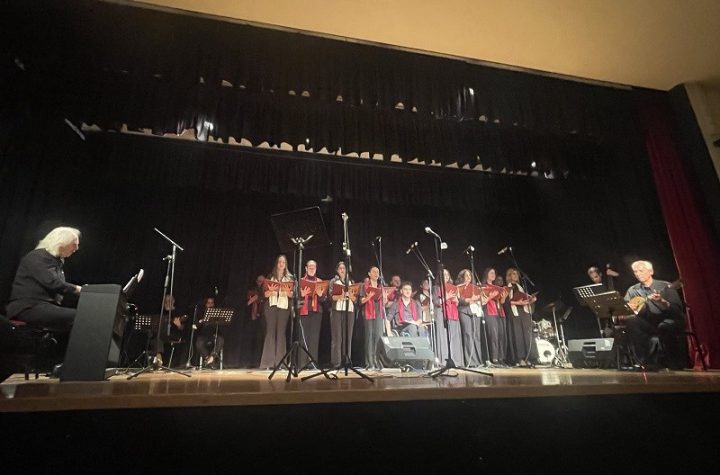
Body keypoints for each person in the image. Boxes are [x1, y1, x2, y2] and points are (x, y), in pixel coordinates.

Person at [6, 227, 82, 331]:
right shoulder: (37, 257)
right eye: (74, 244)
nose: (77, 248)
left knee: (81, 316)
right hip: (28, 307)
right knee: (80, 316)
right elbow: (52, 283)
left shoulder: (55, 262)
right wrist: (78, 289)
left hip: (43, 306)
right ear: (61, 242)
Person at [623, 260, 685, 368]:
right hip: (648, 322)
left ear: (651, 271)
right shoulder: (632, 290)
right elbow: (625, 308)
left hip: (667, 320)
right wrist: (629, 308)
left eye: (641, 271)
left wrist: (662, 301)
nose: (638, 274)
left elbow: (677, 309)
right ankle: (644, 362)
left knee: (665, 326)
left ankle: (673, 362)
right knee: (632, 321)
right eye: (635, 272)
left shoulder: (665, 286)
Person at [259, 255, 294, 369]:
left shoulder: (290, 278)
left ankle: (281, 363)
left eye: (283, 262)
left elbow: (293, 295)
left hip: (284, 307)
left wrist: (288, 292)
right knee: (270, 332)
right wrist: (269, 292)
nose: (281, 264)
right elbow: (263, 294)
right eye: (279, 262)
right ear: (277, 264)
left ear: (286, 264)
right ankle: (268, 363)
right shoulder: (270, 277)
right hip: (271, 306)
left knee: (281, 333)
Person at [360, 267, 391, 369]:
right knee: (369, 338)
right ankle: (369, 363)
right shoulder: (364, 286)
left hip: (378, 314)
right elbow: (361, 301)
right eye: (374, 272)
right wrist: (368, 297)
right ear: (369, 274)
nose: (376, 273)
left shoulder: (381, 286)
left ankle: (376, 361)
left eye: (377, 272)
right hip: (368, 313)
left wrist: (385, 298)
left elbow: (384, 304)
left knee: (378, 337)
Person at [297, 260, 326, 369]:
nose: (312, 268)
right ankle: (302, 364)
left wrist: (320, 295)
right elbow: (295, 297)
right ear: (306, 268)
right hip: (304, 311)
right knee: (303, 338)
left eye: (314, 266)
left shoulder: (320, 281)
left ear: (316, 268)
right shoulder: (301, 281)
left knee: (314, 338)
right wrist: (301, 294)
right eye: (310, 266)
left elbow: (324, 299)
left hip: (316, 312)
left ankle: (312, 364)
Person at [505, 267, 536, 367]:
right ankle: (520, 358)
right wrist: (518, 302)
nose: (515, 276)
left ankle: (528, 357)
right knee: (518, 335)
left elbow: (525, 299)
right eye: (513, 274)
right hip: (514, 312)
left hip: (524, 311)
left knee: (526, 335)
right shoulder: (508, 287)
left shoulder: (521, 287)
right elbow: (506, 302)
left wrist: (531, 300)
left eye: (516, 274)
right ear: (509, 276)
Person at [329, 261, 356, 369]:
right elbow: (331, 297)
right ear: (337, 270)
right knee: (337, 337)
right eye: (340, 268)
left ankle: (347, 361)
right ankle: (336, 362)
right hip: (337, 310)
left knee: (347, 337)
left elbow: (355, 299)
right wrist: (341, 295)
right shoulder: (334, 281)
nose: (342, 270)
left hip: (349, 311)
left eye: (344, 268)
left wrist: (350, 295)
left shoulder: (351, 281)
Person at [433, 268, 462, 366]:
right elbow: (436, 302)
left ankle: (455, 360)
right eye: (443, 274)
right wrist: (447, 297)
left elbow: (457, 303)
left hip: (453, 313)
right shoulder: (436, 288)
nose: (445, 276)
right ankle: (444, 360)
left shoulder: (453, 287)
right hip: (441, 312)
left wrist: (456, 300)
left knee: (453, 336)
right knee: (443, 336)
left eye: (447, 274)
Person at [455, 269, 483, 367]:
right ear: (462, 277)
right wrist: (470, 299)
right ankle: (470, 361)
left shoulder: (475, 287)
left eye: (470, 275)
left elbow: (481, 298)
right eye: (466, 275)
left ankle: (478, 361)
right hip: (464, 311)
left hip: (475, 311)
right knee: (468, 335)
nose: (468, 277)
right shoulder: (458, 287)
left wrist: (478, 298)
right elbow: (460, 300)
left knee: (476, 335)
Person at [481, 267, 508, 366]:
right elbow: (482, 302)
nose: (493, 275)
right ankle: (494, 358)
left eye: (494, 273)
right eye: (491, 273)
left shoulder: (497, 287)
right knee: (493, 336)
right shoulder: (483, 287)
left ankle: (501, 357)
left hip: (500, 313)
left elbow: (501, 302)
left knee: (501, 335)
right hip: (490, 312)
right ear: (486, 274)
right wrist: (491, 296)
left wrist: (504, 297)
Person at [194, 296, 224, 368]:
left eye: (212, 303)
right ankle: (209, 359)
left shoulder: (217, 313)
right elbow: (196, 325)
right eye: (208, 303)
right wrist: (201, 321)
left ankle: (212, 357)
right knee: (198, 344)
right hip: (203, 336)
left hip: (214, 335)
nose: (210, 304)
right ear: (205, 304)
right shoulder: (200, 313)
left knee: (220, 340)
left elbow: (221, 327)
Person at [243, 275, 265, 368]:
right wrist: (253, 299)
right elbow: (246, 304)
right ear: (256, 281)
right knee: (249, 340)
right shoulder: (252, 290)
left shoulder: (266, 291)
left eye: (263, 282)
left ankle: (258, 362)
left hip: (262, 319)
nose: (261, 283)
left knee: (260, 341)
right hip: (251, 319)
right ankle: (248, 362)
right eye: (259, 281)